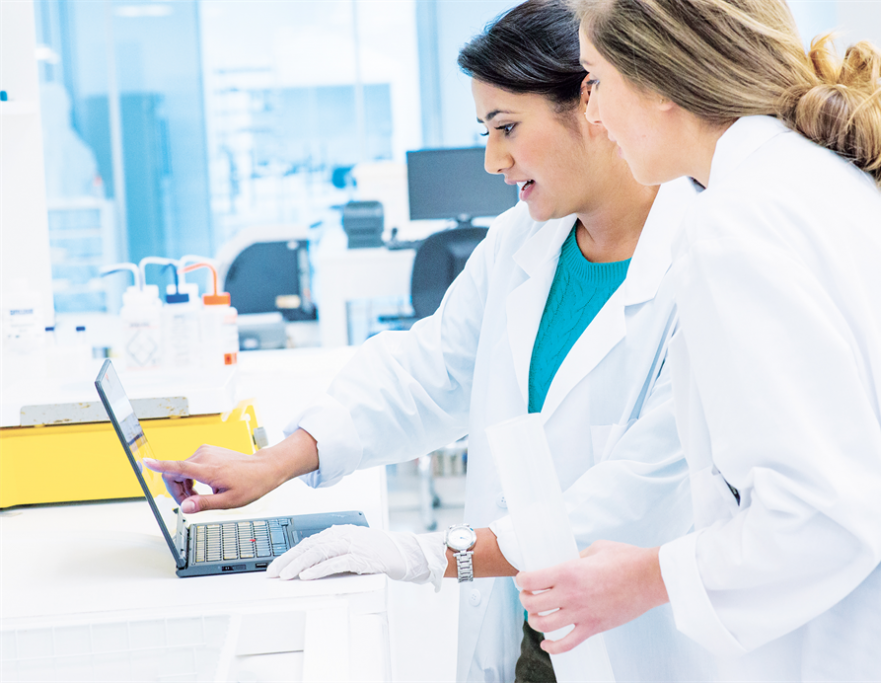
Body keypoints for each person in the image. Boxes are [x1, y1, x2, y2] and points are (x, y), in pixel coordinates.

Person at [146, 2, 708, 681]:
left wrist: (427, 553)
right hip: (528, 624)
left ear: (593, 102)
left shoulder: (702, 262)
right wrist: (277, 462)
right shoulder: (522, 244)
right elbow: (428, 371)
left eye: (507, 128)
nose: (493, 159)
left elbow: (634, 492)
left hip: (645, 644)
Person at [516, 1, 881, 680]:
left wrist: (646, 576)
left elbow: (823, 516)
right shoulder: (855, 185)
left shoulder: (739, 223)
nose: (596, 114)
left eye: (596, 81)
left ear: (660, 82)